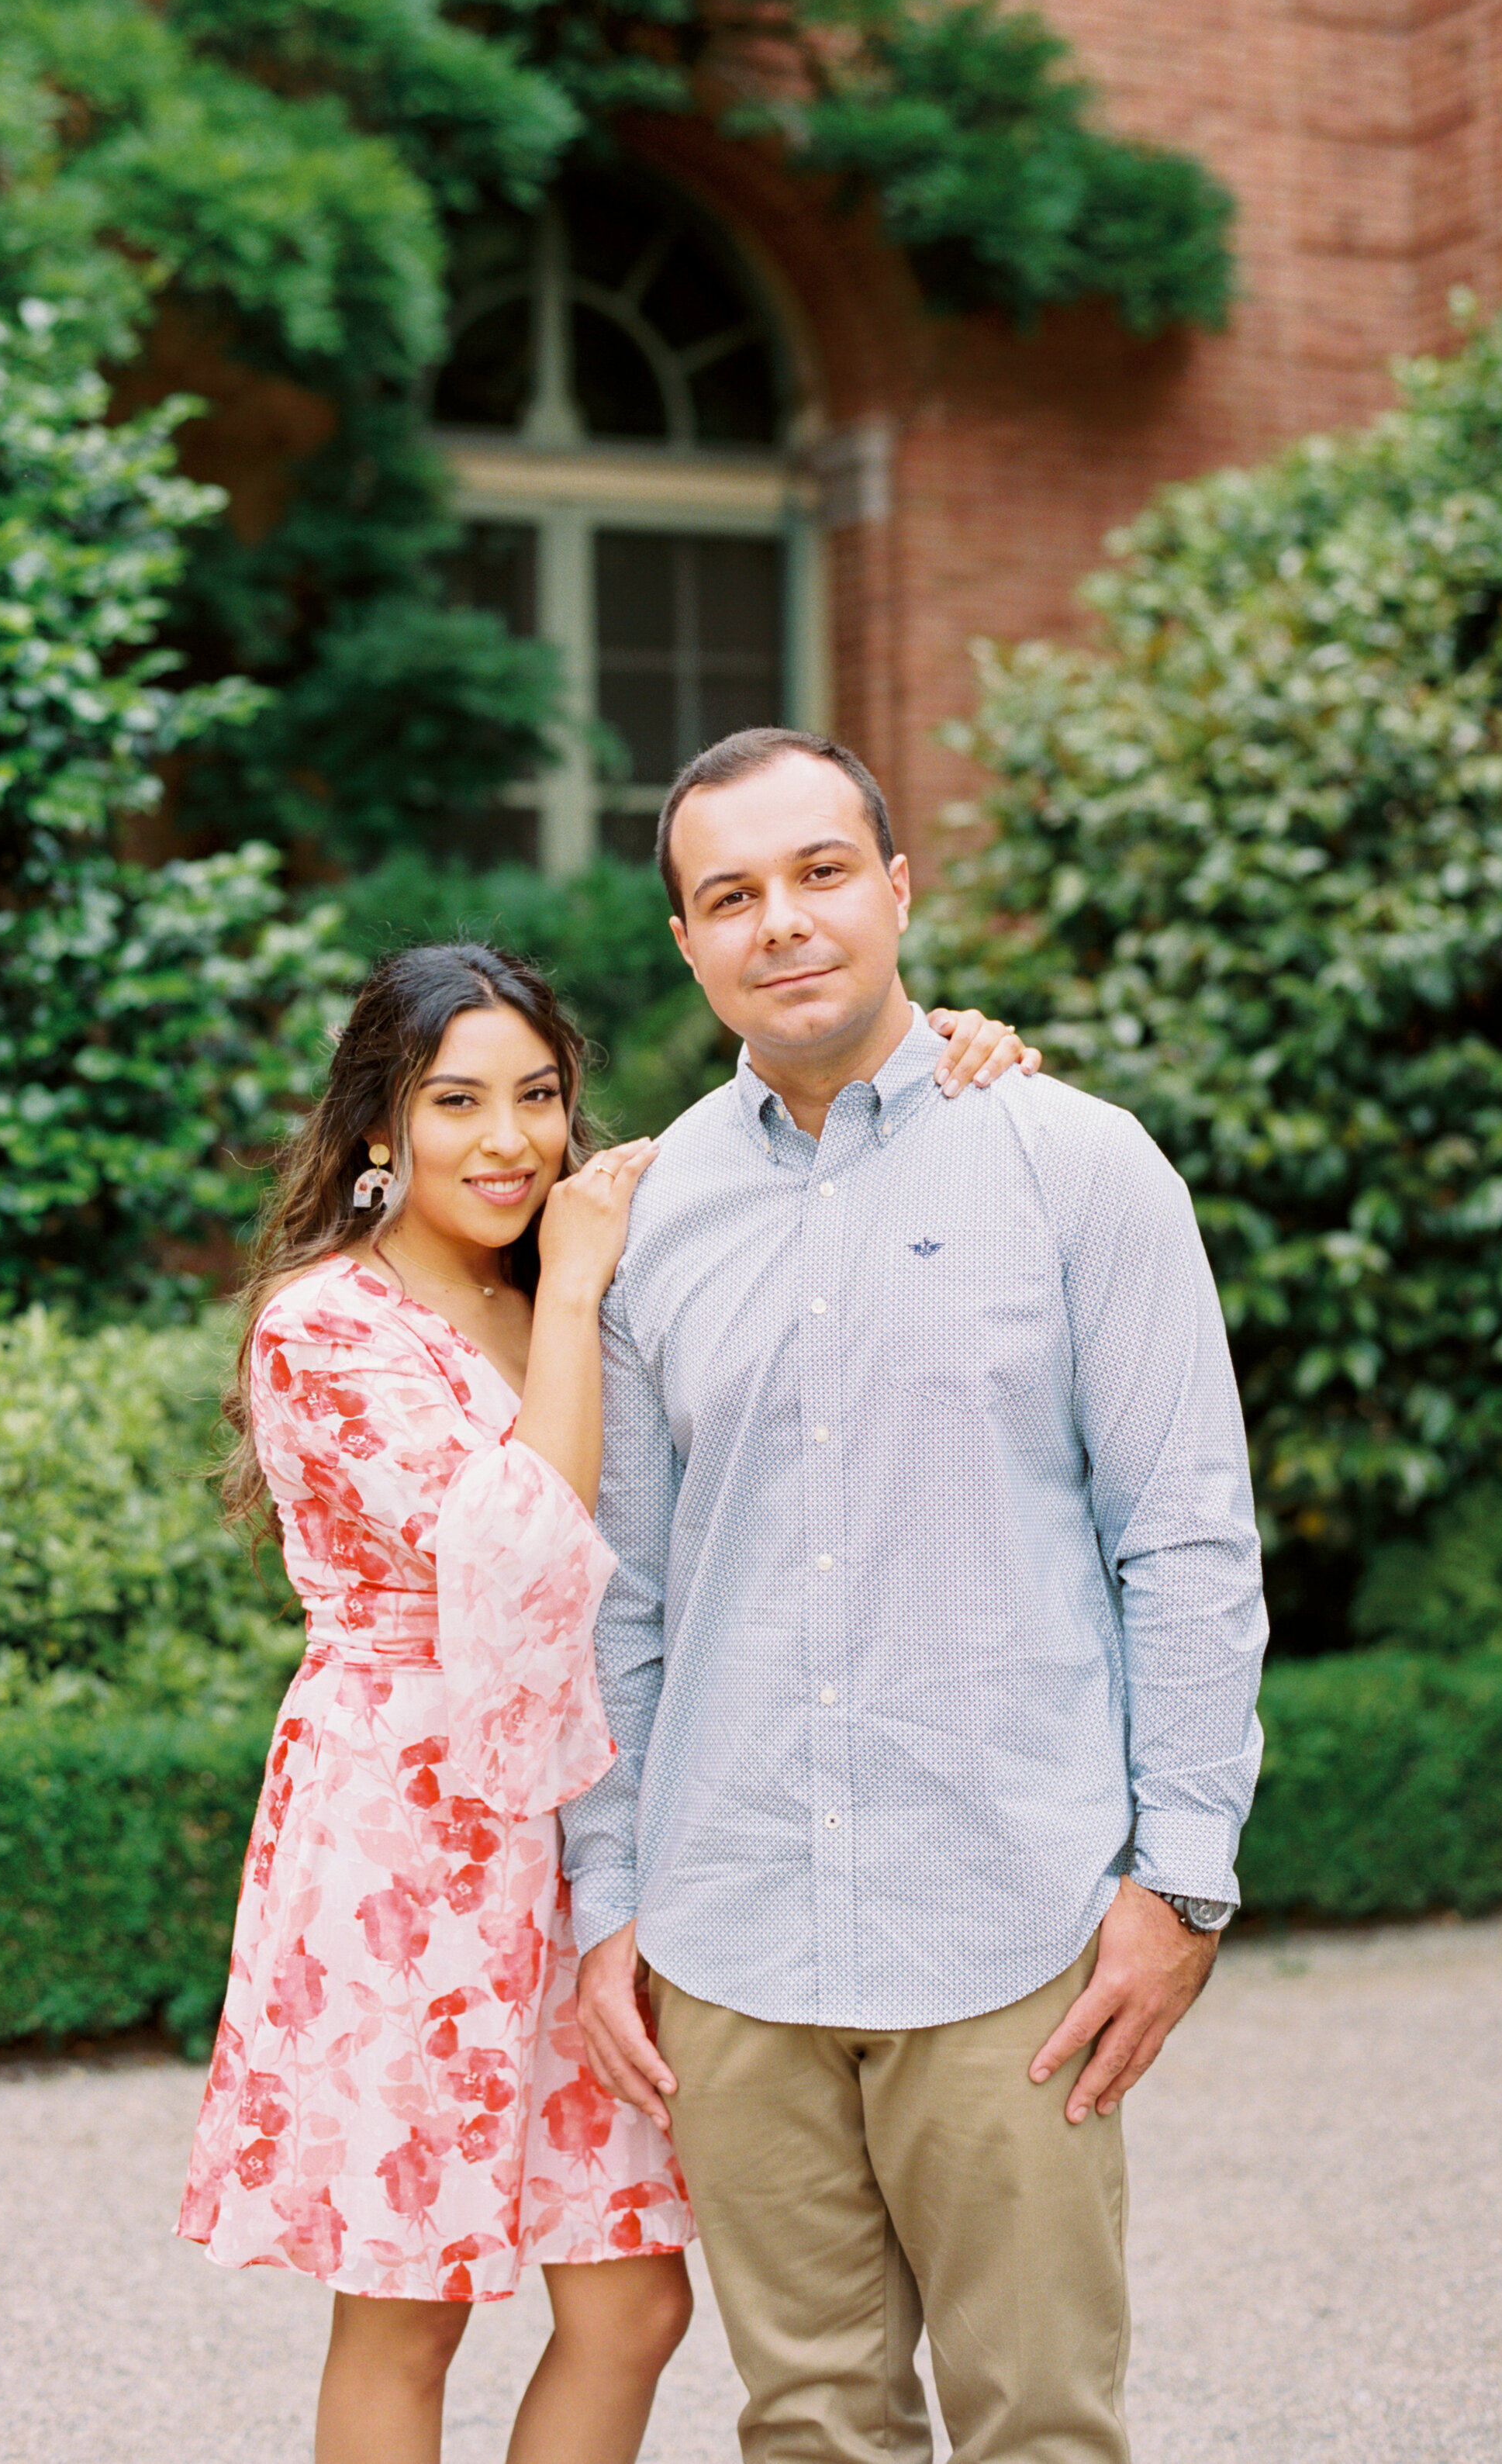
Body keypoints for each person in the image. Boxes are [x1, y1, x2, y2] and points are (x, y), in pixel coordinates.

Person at [176, 938, 1035, 2464]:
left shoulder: (577, 1259)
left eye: (538, 1095)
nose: (507, 1139)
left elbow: (794, 1135)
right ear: (378, 1126)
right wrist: (573, 1285)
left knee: (633, 2302)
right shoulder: (329, 1323)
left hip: (592, 1836)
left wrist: (946, 1054)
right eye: (456, 1101)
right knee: (407, 2304)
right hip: (406, 1848)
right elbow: (526, 1543)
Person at [564, 730, 1269, 2464]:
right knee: (805, 2423)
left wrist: (1178, 1878)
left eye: (817, 873)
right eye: (727, 893)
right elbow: (618, 1593)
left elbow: (1181, 1535)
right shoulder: (643, 1221)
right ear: (683, 941)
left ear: (895, 887)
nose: (779, 921)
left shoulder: (1075, 1163)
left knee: (1038, 2423)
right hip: (728, 1939)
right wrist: (607, 1892)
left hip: (1007, 1933)